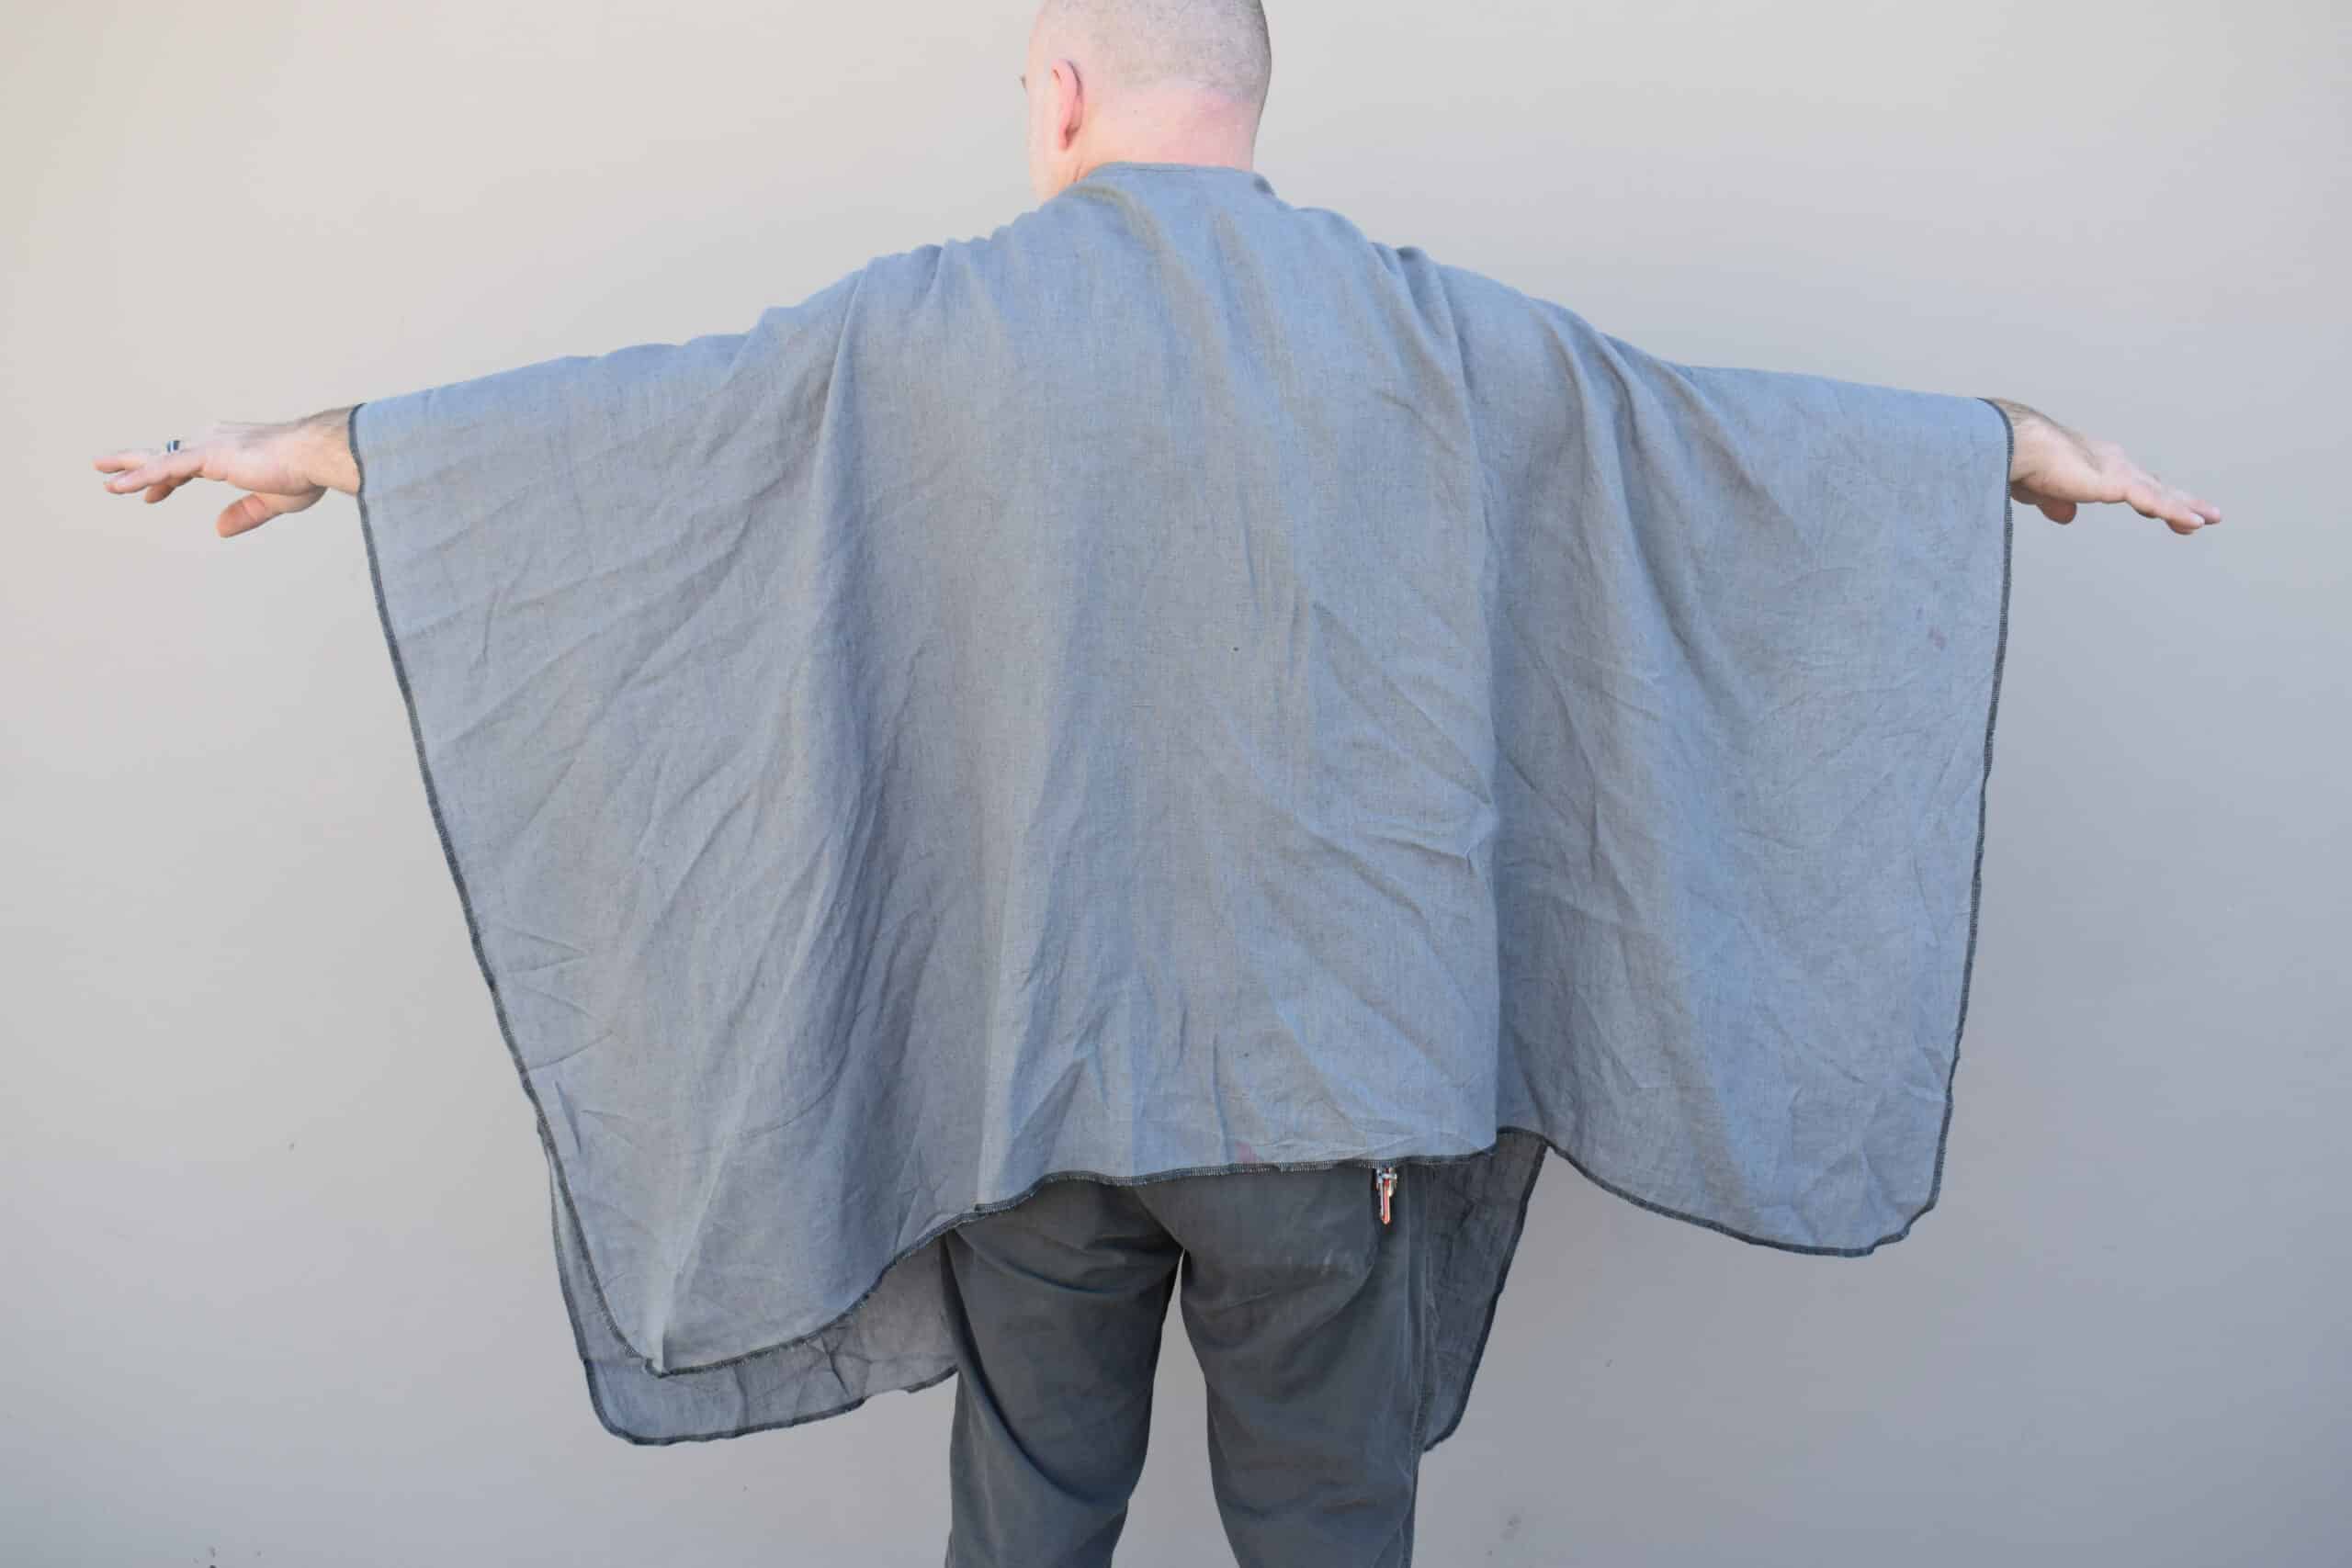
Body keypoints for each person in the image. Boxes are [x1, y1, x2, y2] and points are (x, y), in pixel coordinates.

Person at [90, 4, 2222, 1564]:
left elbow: (635, 439)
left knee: (1029, 1526)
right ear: (1250, 98)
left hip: (1023, 1083)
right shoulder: (1431, 334)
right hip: (1328, 1104)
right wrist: (2006, 446)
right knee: (1323, 1532)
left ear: (1058, 92)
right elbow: (1714, 445)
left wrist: (332, 447)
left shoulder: (922, 328)